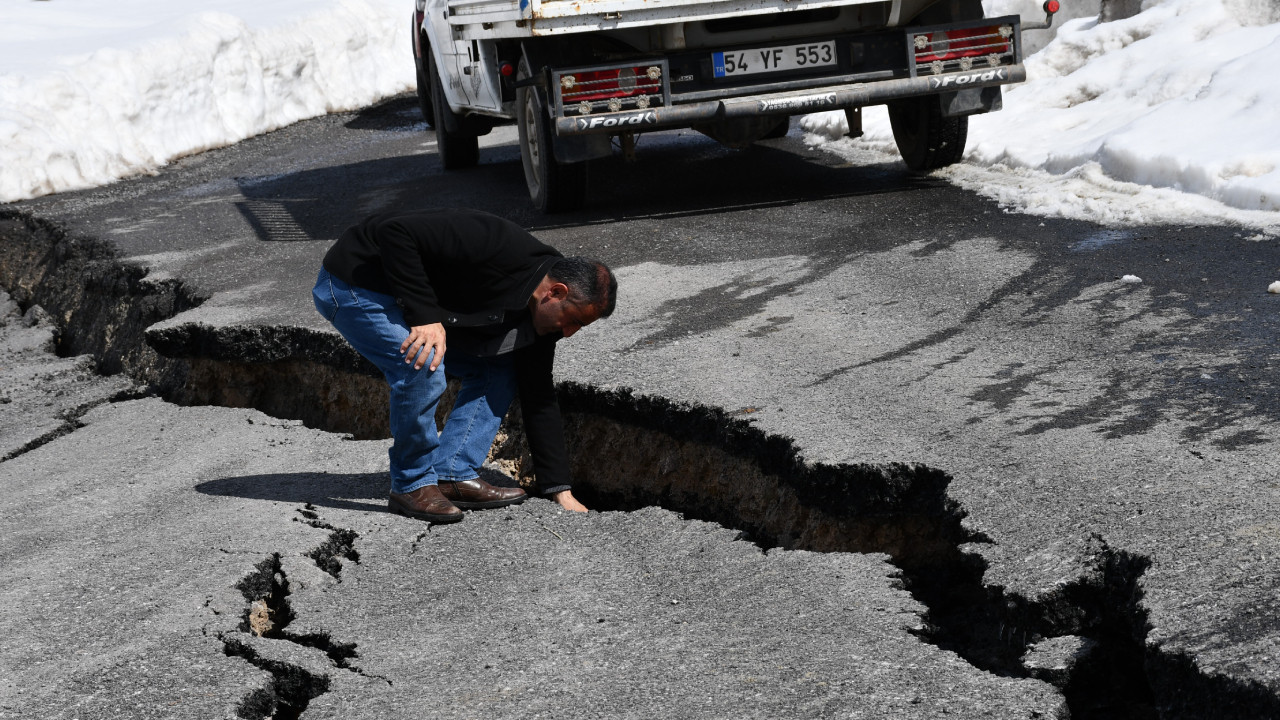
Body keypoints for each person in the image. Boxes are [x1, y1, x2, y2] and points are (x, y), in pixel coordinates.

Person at [311, 209, 616, 524]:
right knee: (422, 363)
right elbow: (395, 232)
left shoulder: (543, 317)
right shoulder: (497, 244)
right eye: (574, 321)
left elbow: (538, 393)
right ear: (556, 292)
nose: (569, 333)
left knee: (497, 370)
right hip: (356, 285)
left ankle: (452, 473)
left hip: (403, 297)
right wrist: (424, 315)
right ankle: (411, 484)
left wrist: (559, 489)